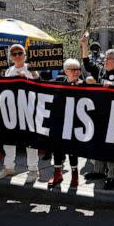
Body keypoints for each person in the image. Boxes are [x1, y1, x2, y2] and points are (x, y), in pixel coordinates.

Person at [81, 36, 114, 190]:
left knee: (110, 147)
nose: (106, 60)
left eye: (109, 58)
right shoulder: (101, 70)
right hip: (100, 114)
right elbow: (87, 64)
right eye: (106, 57)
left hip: (113, 117)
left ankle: (111, 176)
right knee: (99, 143)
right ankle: (99, 171)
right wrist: (84, 44)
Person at [0, 44, 41, 183]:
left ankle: (33, 169)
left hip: (29, 110)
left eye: (20, 53)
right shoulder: (9, 70)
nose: (17, 56)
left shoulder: (31, 68)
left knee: (30, 141)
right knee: (9, 139)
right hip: (12, 110)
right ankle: (8, 167)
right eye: (14, 54)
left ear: (25, 54)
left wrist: (27, 77)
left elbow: (38, 84)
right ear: (11, 57)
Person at [47, 58, 86, 189]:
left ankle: (75, 174)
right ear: (65, 71)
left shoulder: (83, 85)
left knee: (72, 149)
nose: (76, 72)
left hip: (74, 123)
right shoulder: (58, 81)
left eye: (78, 69)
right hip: (58, 121)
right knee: (57, 147)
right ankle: (57, 173)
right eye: (73, 69)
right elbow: (40, 86)